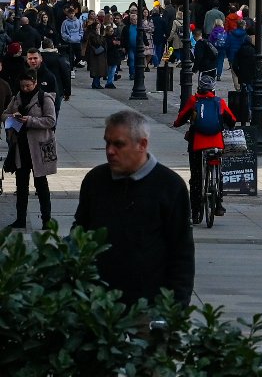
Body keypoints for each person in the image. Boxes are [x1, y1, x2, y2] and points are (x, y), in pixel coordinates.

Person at [72, 109, 194, 308]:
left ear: (142, 145)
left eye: (119, 144)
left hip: (148, 308)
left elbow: (182, 252)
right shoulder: (95, 180)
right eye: (107, 142)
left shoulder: (170, 186)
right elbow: (80, 234)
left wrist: (174, 309)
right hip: (97, 306)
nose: (110, 151)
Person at [170, 72, 237, 223]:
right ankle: (218, 203)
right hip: (216, 142)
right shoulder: (219, 102)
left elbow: (181, 118)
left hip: (197, 143)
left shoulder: (194, 101)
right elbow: (232, 119)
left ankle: (195, 212)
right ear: (213, 89)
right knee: (218, 172)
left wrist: (176, 124)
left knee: (196, 176)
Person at [4, 67, 57, 230]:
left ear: (35, 83)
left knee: (41, 184)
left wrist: (30, 120)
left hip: (38, 148)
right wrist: (12, 117)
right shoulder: (17, 98)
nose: (25, 88)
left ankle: (46, 220)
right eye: (23, 86)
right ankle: (20, 219)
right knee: (21, 186)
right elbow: (4, 115)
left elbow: (50, 121)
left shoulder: (44, 98)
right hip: (21, 148)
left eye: (28, 85)